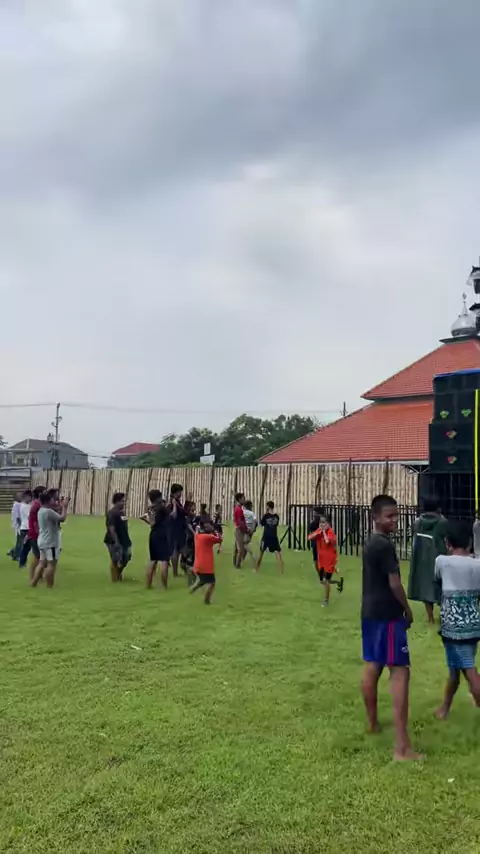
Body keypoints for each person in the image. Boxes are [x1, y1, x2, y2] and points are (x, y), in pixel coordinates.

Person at [360, 494, 421, 762]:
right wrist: (407, 609)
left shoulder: (370, 542)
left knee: (373, 664)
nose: (395, 520)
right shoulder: (384, 545)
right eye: (389, 516)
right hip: (388, 615)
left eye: (396, 515)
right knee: (400, 671)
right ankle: (402, 748)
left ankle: (373, 723)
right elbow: (394, 583)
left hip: (370, 613)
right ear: (375, 517)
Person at [434, 521, 480, 719]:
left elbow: (438, 580)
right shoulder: (478, 564)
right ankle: (444, 708)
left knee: (469, 670)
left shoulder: (442, 562)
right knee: (455, 670)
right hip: (474, 625)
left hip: (453, 628)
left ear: (447, 542)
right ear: (469, 542)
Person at [408, 498, 448, 624]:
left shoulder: (418, 522)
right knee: (442, 586)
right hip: (439, 557)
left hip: (422, 559)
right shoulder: (442, 522)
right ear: (438, 508)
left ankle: (430, 618)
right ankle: (444, 616)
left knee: (425, 587)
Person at [31, 491, 69, 588]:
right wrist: (65, 507)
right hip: (50, 542)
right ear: (48, 501)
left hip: (42, 540)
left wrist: (61, 506)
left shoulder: (41, 510)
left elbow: (55, 511)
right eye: (52, 500)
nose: (54, 501)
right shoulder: (48, 512)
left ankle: (33, 582)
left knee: (42, 563)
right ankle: (49, 586)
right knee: (52, 564)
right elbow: (62, 518)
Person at [308, 515, 344, 605]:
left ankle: (326, 600)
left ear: (328, 524)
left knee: (326, 580)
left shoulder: (331, 533)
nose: (322, 524)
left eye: (324, 522)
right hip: (322, 560)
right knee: (323, 580)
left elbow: (328, 541)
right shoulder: (319, 531)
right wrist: (318, 533)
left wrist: (323, 532)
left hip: (330, 561)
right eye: (321, 522)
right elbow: (309, 537)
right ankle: (339, 582)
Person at [189, 520, 222, 604]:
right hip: (206, 566)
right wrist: (214, 530)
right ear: (204, 527)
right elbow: (220, 539)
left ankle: (192, 590)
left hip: (198, 564)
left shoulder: (197, 535)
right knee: (212, 583)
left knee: (202, 580)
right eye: (208, 526)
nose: (210, 527)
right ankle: (206, 601)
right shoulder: (208, 537)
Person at [145, 491, 172, 590]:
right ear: (158, 498)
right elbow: (171, 515)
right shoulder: (161, 508)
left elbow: (152, 523)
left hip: (153, 534)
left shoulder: (150, 508)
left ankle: (148, 585)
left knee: (153, 560)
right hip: (162, 534)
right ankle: (164, 586)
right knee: (165, 560)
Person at [104, 492, 132, 582]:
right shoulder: (112, 513)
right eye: (122, 501)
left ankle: (118, 572)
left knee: (127, 557)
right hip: (114, 541)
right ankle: (115, 579)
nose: (124, 503)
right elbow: (111, 528)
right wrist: (116, 542)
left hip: (124, 540)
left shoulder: (122, 513)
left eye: (124, 501)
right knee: (115, 559)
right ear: (116, 502)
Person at [19, 485, 45, 578]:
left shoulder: (35, 504)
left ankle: (37, 575)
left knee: (36, 555)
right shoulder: (35, 505)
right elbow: (34, 520)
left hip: (31, 531)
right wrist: (37, 531)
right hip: (32, 532)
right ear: (40, 493)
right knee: (36, 555)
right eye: (45, 492)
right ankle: (34, 576)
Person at [256, 501, 284, 574]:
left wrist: (265, 513)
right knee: (278, 552)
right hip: (274, 536)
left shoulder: (266, 516)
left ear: (268, 506)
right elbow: (276, 524)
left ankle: (256, 569)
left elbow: (262, 523)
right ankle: (281, 571)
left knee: (261, 552)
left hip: (266, 536)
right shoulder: (277, 516)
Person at [168, 484, 186, 577]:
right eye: (179, 492)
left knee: (178, 550)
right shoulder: (173, 503)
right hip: (175, 528)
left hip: (179, 528)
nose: (180, 494)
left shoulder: (177, 502)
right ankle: (175, 572)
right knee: (175, 550)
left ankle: (176, 571)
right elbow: (174, 515)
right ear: (175, 493)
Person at [17, 490, 32, 562]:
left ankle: (23, 561)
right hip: (26, 528)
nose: (30, 498)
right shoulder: (25, 506)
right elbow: (29, 516)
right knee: (26, 547)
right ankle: (22, 562)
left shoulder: (26, 505)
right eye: (29, 496)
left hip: (25, 527)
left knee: (27, 547)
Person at [233, 492, 247, 568]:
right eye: (243, 498)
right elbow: (240, 521)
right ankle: (237, 565)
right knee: (241, 549)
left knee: (238, 548)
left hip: (239, 529)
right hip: (239, 530)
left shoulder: (239, 508)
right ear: (240, 499)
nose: (244, 500)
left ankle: (235, 563)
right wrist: (245, 529)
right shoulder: (238, 509)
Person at [8, 493, 22, 560]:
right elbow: (17, 516)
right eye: (19, 496)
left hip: (18, 524)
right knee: (20, 541)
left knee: (20, 540)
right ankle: (16, 555)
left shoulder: (17, 504)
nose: (20, 497)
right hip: (19, 525)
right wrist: (20, 524)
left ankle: (13, 552)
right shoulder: (17, 505)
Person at [308, 506, 322, 573]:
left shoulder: (317, 520)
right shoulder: (325, 521)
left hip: (317, 542)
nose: (314, 514)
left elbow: (310, 527)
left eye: (315, 513)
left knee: (316, 559)